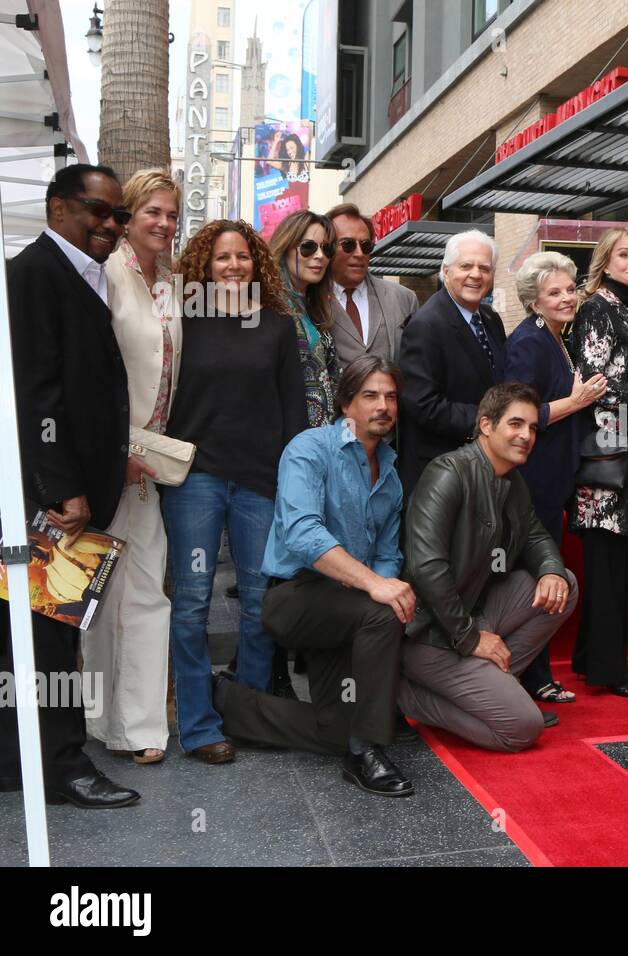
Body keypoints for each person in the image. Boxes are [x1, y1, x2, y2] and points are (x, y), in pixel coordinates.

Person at [0, 163, 139, 808]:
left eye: (117, 215)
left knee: (39, 627)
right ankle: (62, 765)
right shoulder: (34, 274)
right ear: (57, 207)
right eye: (96, 210)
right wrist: (60, 486)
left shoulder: (77, 272)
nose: (110, 224)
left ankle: (22, 757)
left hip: (61, 486)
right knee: (51, 628)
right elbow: (36, 392)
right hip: (48, 494)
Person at [214, 357, 415, 795]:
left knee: (333, 731)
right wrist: (375, 586)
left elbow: (387, 554)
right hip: (294, 597)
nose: (383, 405)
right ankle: (368, 749)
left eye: (391, 397)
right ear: (346, 403)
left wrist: (382, 584)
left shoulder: (392, 477)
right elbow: (303, 533)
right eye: (370, 395)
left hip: (347, 605)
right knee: (382, 613)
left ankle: (231, 705)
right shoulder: (309, 448)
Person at [163, 220, 308, 763]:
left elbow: (293, 415)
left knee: (258, 604)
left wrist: (293, 487)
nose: (233, 266)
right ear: (204, 264)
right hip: (194, 479)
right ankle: (199, 725)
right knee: (193, 603)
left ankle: (247, 717)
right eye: (222, 257)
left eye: (242, 257)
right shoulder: (183, 323)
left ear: (257, 264)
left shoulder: (276, 327)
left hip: (260, 482)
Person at [398, 383, 578, 752]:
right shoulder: (448, 473)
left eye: (531, 427)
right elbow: (427, 568)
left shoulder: (511, 480)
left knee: (566, 585)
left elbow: (535, 537)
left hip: (476, 611)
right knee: (522, 728)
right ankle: (401, 695)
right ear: (486, 425)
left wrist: (551, 570)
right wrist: (470, 638)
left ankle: (494, 688)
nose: (526, 435)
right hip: (431, 634)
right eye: (515, 424)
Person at [82, 168, 182, 765]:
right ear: (130, 216)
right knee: (99, 593)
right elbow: (91, 376)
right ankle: (101, 721)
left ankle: (141, 727)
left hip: (154, 460)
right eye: (154, 213)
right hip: (109, 456)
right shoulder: (106, 276)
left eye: (172, 215)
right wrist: (112, 453)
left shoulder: (171, 284)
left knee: (146, 590)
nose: (165, 224)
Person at [504, 251, 606, 705]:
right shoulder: (528, 342)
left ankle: (534, 673)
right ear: (534, 302)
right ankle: (532, 676)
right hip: (535, 478)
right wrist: (577, 400)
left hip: (555, 476)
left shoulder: (557, 336)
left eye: (570, 289)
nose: (567, 298)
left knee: (547, 568)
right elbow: (520, 414)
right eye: (555, 293)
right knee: (539, 572)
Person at [568, 227, 628, 697]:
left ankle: (590, 659)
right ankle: (608, 671)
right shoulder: (597, 308)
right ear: (604, 261)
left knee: (617, 564)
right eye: (624, 255)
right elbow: (593, 384)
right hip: (610, 455)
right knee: (608, 567)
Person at [399, 229, 504, 495]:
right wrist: (490, 422)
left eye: (484, 268)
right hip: (442, 470)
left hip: (484, 464)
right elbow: (423, 405)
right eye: (466, 266)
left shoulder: (490, 319)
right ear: (445, 272)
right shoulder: (426, 325)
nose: (476, 274)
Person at [270, 210, 341, 430]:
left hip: (321, 442)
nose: (320, 256)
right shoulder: (266, 306)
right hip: (282, 441)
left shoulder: (317, 309)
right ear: (286, 248)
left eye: (327, 249)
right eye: (308, 247)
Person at [326, 202, 419, 368]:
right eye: (348, 244)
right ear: (328, 248)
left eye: (366, 246)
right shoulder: (309, 300)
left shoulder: (404, 298)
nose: (359, 254)